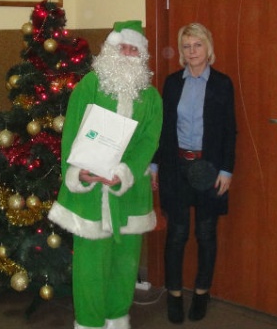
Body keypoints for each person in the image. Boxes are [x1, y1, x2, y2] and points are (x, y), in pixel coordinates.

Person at [48, 21, 163, 329]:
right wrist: (79, 171)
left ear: (142, 54)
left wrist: (125, 173)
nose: (126, 53)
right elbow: (72, 132)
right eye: (121, 47)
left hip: (129, 193)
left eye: (133, 49)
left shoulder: (151, 98)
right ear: (109, 50)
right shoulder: (90, 86)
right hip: (90, 194)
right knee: (90, 269)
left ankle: (117, 320)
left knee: (125, 266)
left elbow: (149, 142)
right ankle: (89, 324)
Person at [152, 22, 237, 324]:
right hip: (176, 166)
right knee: (177, 233)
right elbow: (164, 128)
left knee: (205, 233)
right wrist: (154, 164)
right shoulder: (173, 83)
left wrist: (226, 170)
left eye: (197, 45)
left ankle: (202, 292)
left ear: (208, 47)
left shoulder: (222, 84)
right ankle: (174, 295)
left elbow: (229, 130)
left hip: (209, 168)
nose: (192, 51)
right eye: (186, 46)